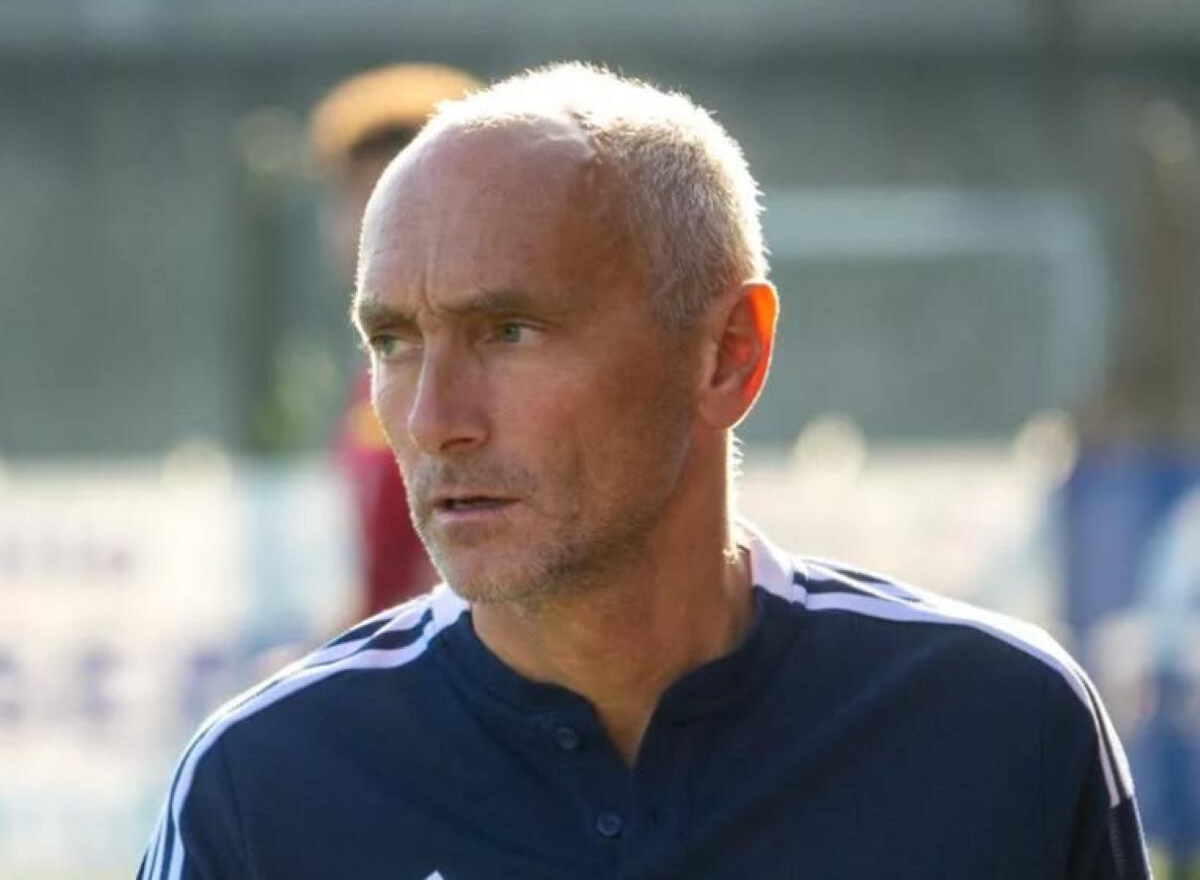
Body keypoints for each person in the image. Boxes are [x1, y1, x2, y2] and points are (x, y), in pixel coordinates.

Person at [138, 63, 1151, 880]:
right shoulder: (262, 790)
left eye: (510, 330)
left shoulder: (1002, 728)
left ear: (728, 354)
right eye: (394, 342)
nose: (434, 420)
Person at [310, 63, 479, 619]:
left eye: (389, 198)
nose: (365, 226)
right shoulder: (381, 369)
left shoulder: (487, 371)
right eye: (354, 197)